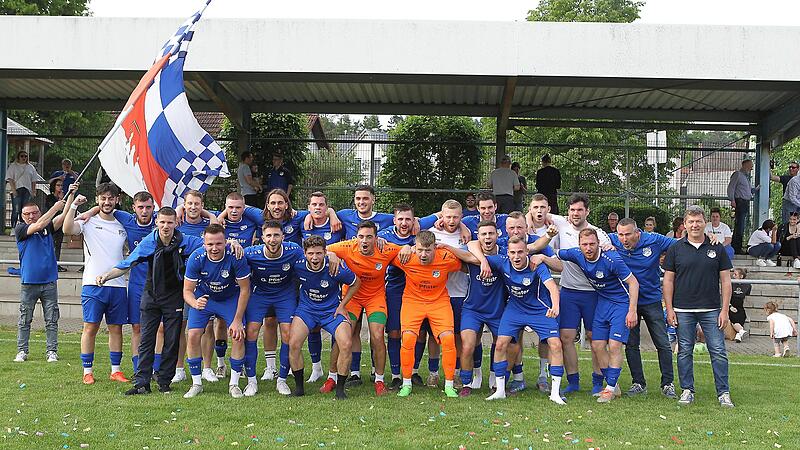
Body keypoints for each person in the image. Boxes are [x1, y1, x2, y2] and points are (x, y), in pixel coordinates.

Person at [96, 208, 204, 394]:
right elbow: (127, 263)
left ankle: (164, 381)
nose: (165, 226)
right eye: (162, 222)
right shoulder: (150, 241)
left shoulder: (186, 241)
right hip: (151, 296)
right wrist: (107, 275)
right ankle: (142, 383)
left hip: (174, 297)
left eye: (170, 222)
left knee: (171, 340)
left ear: (176, 223)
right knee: (146, 339)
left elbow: (211, 245)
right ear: (157, 223)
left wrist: (231, 244)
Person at [663, 206, 734, 408]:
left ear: (705, 223)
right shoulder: (676, 249)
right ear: (684, 224)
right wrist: (669, 309)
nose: (695, 225)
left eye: (698, 221)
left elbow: (726, 281)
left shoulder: (717, 247)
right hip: (682, 310)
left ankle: (724, 393)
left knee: (718, 351)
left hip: (711, 309)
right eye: (691, 221)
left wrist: (725, 310)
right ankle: (687, 390)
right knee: (684, 351)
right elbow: (668, 281)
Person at [540, 193, 611, 396]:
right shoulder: (561, 226)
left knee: (594, 337)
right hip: (569, 292)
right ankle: (573, 381)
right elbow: (535, 212)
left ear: (587, 211)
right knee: (566, 337)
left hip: (594, 293)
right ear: (568, 212)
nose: (575, 214)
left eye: (580, 210)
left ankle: (598, 382)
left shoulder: (598, 234)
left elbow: (610, 253)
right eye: (572, 210)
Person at [559, 229, 640, 403]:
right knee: (596, 344)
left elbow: (633, 283)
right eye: (584, 244)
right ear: (579, 245)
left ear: (598, 244)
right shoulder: (575, 254)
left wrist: (632, 310)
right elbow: (555, 253)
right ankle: (614, 385)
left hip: (621, 304)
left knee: (615, 345)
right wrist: (540, 257)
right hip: (602, 303)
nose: (588, 248)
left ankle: (609, 388)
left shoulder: (612, 259)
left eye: (592, 244)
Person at [62, 182, 130, 385]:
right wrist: (74, 206)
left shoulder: (122, 225)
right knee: (90, 328)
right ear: (97, 200)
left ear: (117, 200)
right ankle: (87, 371)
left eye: (111, 198)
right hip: (92, 285)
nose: (107, 202)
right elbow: (67, 229)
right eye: (103, 198)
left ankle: (115, 370)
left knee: (116, 328)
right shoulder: (87, 220)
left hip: (118, 285)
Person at [324, 221, 401, 396]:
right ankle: (332, 377)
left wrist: (405, 249)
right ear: (355, 238)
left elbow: (406, 249)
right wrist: (331, 254)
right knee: (342, 335)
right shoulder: (347, 247)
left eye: (369, 237)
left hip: (375, 297)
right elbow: (324, 248)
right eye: (361, 237)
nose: (364, 241)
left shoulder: (386, 249)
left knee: (377, 336)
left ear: (376, 238)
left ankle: (379, 380)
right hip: (352, 297)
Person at [182, 224, 251, 398]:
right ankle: (196, 383)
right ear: (204, 243)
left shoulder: (235, 255)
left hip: (229, 299)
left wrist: (237, 319)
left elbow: (245, 289)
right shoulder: (196, 257)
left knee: (237, 334)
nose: (214, 248)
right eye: (210, 244)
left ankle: (234, 384)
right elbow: (187, 291)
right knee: (193, 334)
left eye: (218, 244)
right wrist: (194, 303)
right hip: (204, 299)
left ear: (226, 242)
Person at [610, 218, 677, 398]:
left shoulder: (654, 240)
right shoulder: (611, 239)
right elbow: (589, 236)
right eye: (620, 235)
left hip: (652, 300)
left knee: (662, 343)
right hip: (627, 302)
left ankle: (668, 383)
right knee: (631, 344)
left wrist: (708, 237)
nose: (623, 239)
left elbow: (682, 244)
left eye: (628, 234)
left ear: (638, 233)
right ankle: (638, 383)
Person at [288, 235, 360, 399]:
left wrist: (343, 305)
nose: (315, 257)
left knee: (346, 343)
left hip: (331, 311)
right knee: (293, 343)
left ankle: (340, 390)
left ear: (325, 252)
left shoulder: (335, 266)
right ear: (304, 253)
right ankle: (299, 388)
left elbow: (356, 282)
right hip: (307, 310)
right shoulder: (297, 264)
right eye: (311, 253)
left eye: (319, 253)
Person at [394, 231, 463, 398]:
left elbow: (469, 260)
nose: (423, 254)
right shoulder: (405, 257)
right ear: (414, 248)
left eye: (428, 250)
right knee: (409, 338)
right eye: (419, 250)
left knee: (448, 339)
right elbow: (381, 251)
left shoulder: (446, 257)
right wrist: (404, 247)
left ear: (435, 247)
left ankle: (448, 384)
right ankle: (406, 383)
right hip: (413, 302)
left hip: (439, 303)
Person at [241, 221, 305, 396]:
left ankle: (282, 380)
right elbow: (232, 256)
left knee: (287, 333)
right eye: (268, 235)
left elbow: (314, 253)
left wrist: (332, 254)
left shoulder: (294, 250)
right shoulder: (251, 253)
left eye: (276, 235)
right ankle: (251, 381)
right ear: (262, 238)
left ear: (283, 237)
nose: (273, 239)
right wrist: (232, 244)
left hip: (285, 294)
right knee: (252, 331)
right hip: (259, 294)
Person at [377, 204, 437, 389]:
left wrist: (410, 246)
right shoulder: (384, 236)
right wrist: (402, 247)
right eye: (400, 219)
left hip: (419, 290)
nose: (404, 223)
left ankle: (414, 371)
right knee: (394, 331)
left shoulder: (420, 231)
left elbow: (442, 214)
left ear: (414, 220)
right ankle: (396, 375)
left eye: (408, 219)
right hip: (395, 289)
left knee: (419, 333)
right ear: (394, 220)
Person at [14, 199, 66, 363]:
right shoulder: (21, 229)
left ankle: (52, 351)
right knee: (25, 319)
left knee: (51, 320)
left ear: (39, 213)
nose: (31, 216)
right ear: (22, 217)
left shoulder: (47, 228)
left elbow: (63, 217)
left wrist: (71, 198)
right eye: (27, 214)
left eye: (34, 213)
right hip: (28, 283)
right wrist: (55, 207)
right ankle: (22, 351)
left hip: (49, 282)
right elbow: (38, 225)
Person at [6, 150, 42, 229]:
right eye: (22, 156)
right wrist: (13, 190)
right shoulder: (13, 166)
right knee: (16, 210)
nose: (24, 158)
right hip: (17, 189)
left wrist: (33, 190)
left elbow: (33, 180)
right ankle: (13, 227)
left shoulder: (30, 167)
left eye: (25, 156)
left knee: (25, 210)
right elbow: (10, 179)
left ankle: (24, 227)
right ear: (18, 157)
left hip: (27, 190)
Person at [727, 158, 755, 254]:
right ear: (745, 165)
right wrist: (732, 199)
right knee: (740, 225)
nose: (751, 168)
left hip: (745, 202)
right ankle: (737, 247)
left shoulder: (745, 177)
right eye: (750, 166)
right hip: (740, 202)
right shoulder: (738, 175)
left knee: (741, 225)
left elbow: (747, 190)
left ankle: (737, 246)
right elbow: (731, 187)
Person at [45, 178, 67, 271]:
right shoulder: (50, 197)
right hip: (52, 222)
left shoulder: (63, 197)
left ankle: (56, 263)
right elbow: (53, 209)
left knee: (58, 244)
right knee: (53, 244)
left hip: (60, 222)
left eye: (61, 185)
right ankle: (52, 264)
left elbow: (65, 210)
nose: (60, 187)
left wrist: (62, 198)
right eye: (58, 185)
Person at [729, 268, 751, 343]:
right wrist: (730, 306)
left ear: (741, 276)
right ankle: (741, 331)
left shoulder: (747, 285)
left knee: (742, 316)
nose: (733, 276)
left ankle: (739, 334)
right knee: (734, 317)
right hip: (731, 305)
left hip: (739, 306)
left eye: (735, 274)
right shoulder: (731, 283)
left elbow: (745, 296)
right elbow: (726, 296)